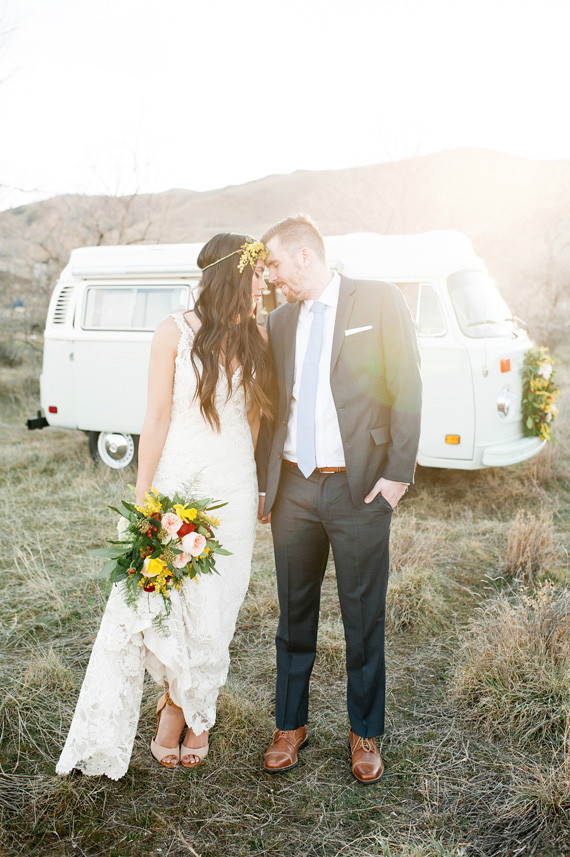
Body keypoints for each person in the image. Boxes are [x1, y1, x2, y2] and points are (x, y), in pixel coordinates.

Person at [57, 233, 271, 779]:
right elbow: (154, 417)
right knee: (172, 604)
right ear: (234, 275)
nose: (265, 283)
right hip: (178, 483)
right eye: (258, 274)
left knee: (216, 605)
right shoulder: (171, 333)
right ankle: (174, 706)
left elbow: (252, 421)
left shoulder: (258, 335)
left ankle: (195, 711)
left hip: (234, 488)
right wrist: (142, 496)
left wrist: (251, 483)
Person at [256, 215, 421, 784]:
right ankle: (290, 725)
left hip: (360, 486)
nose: (270, 277)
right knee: (292, 613)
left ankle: (365, 732)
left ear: (305, 256)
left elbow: (408, 384)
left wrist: (398, 475)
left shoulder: (377, 300)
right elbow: (272, 409)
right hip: (294, 487)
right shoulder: (277, 321)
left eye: (274, 265)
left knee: (362, 615)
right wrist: (264, 484)